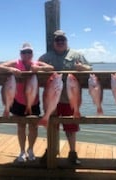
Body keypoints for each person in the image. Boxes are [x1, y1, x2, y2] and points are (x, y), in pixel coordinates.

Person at [38, 30, 92, 165]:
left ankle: (72, 153)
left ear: (66, 41)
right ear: (54, 42)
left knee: (71, 128)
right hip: (52, 99)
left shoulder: (76, 55)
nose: (60, 42)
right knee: (52, 127)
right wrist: (43, 69)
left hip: (69, 99)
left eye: (63, 39)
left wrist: (82, 67)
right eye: (58, 40)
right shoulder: (46, 57)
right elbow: (34, 67)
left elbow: (90, 68)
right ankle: (50, 150)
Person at [0, 43, 54, 162]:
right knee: (21, 126)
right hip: (18, 101)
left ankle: (30, 149)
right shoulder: (15, 62)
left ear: (32, 54)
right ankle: (22, 151)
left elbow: (51, 68)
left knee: (33, 127)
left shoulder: (36, 63)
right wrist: (10, 69)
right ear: (20, 53)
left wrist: (40, 69)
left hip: (34, 101)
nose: (26, 54)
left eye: (29, 52)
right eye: (24, 52)